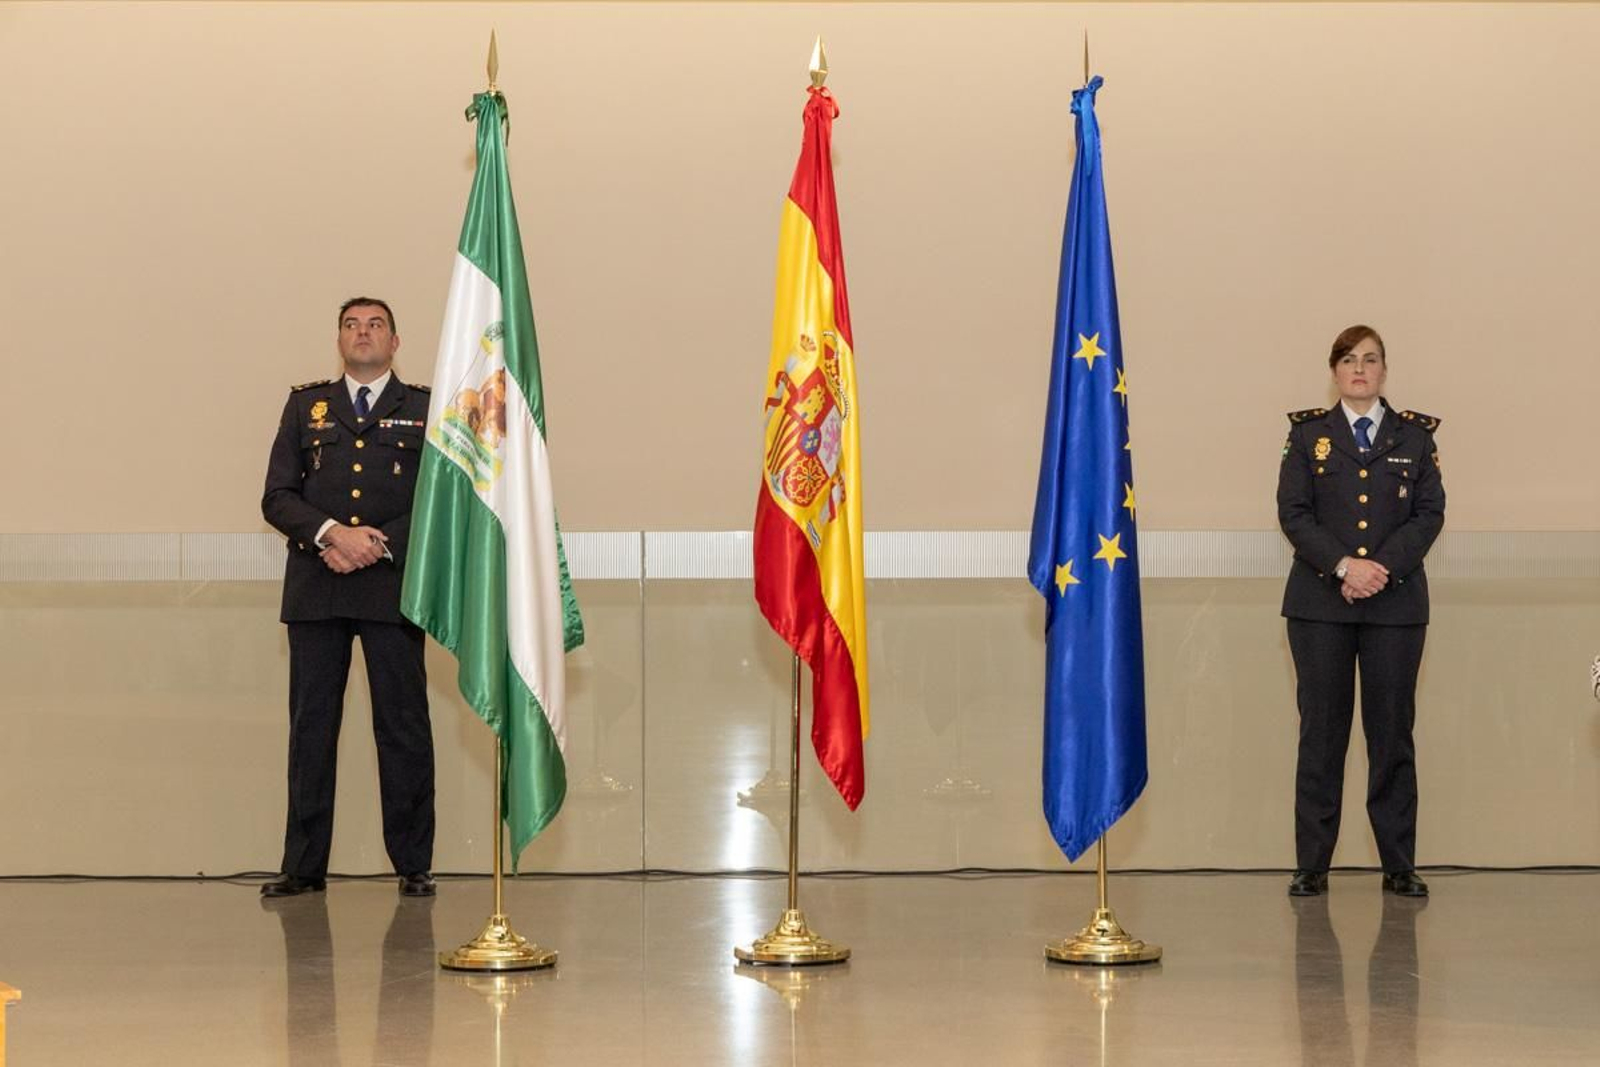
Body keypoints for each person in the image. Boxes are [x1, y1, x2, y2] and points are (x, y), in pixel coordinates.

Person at [260, 297, 436, 898]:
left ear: (395, 341)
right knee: (312, 729)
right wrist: (332, 535)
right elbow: (278, 496)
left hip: (392, 587)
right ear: (339, 340)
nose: (363, 333)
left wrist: (377, 544)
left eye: (375, 325)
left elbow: (443, 499)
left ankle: (414, 864)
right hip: (318, 585)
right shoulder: (304, 405)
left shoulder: (423, 408)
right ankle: (303, 867)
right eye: (351, 325)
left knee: (403, 726)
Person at [1277, 324, 1445, 898]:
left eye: (1370, 360)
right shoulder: (1308, 437)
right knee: (1321, 735)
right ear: (1334, 370)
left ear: (1383, 371)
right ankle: (1312, 865)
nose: (1359, 369)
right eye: (1349, 359)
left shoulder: (1415, 438)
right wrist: (1347, 567)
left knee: (1391, 735)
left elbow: (1428, 515)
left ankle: (1399, 865)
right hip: (1320, 605)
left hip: (1395, 607)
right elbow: (1294, 513)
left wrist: (1380, 570)